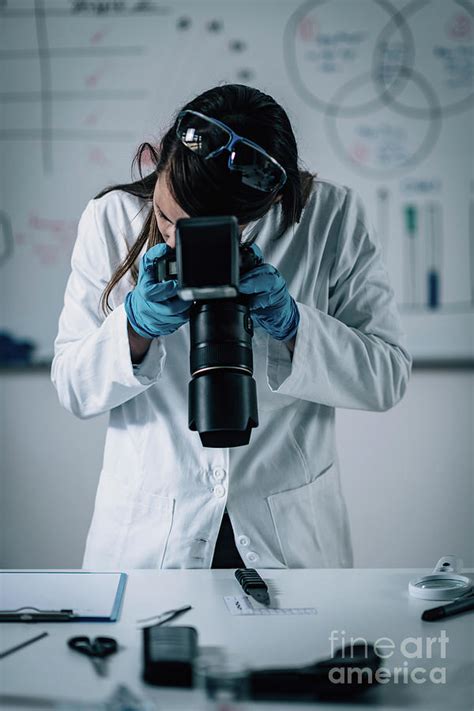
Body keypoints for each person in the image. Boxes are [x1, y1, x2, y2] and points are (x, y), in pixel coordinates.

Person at [51, 84, 411, 570]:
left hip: (289, 535)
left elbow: (385, 378)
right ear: (158, 161)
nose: (180, 241)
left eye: (213, 232)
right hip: (149, 537)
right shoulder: (111, 218)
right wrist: (134, 328)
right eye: (166, 217)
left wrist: (294, 325)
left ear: (265, 208)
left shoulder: (331, 217)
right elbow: (73, 387)